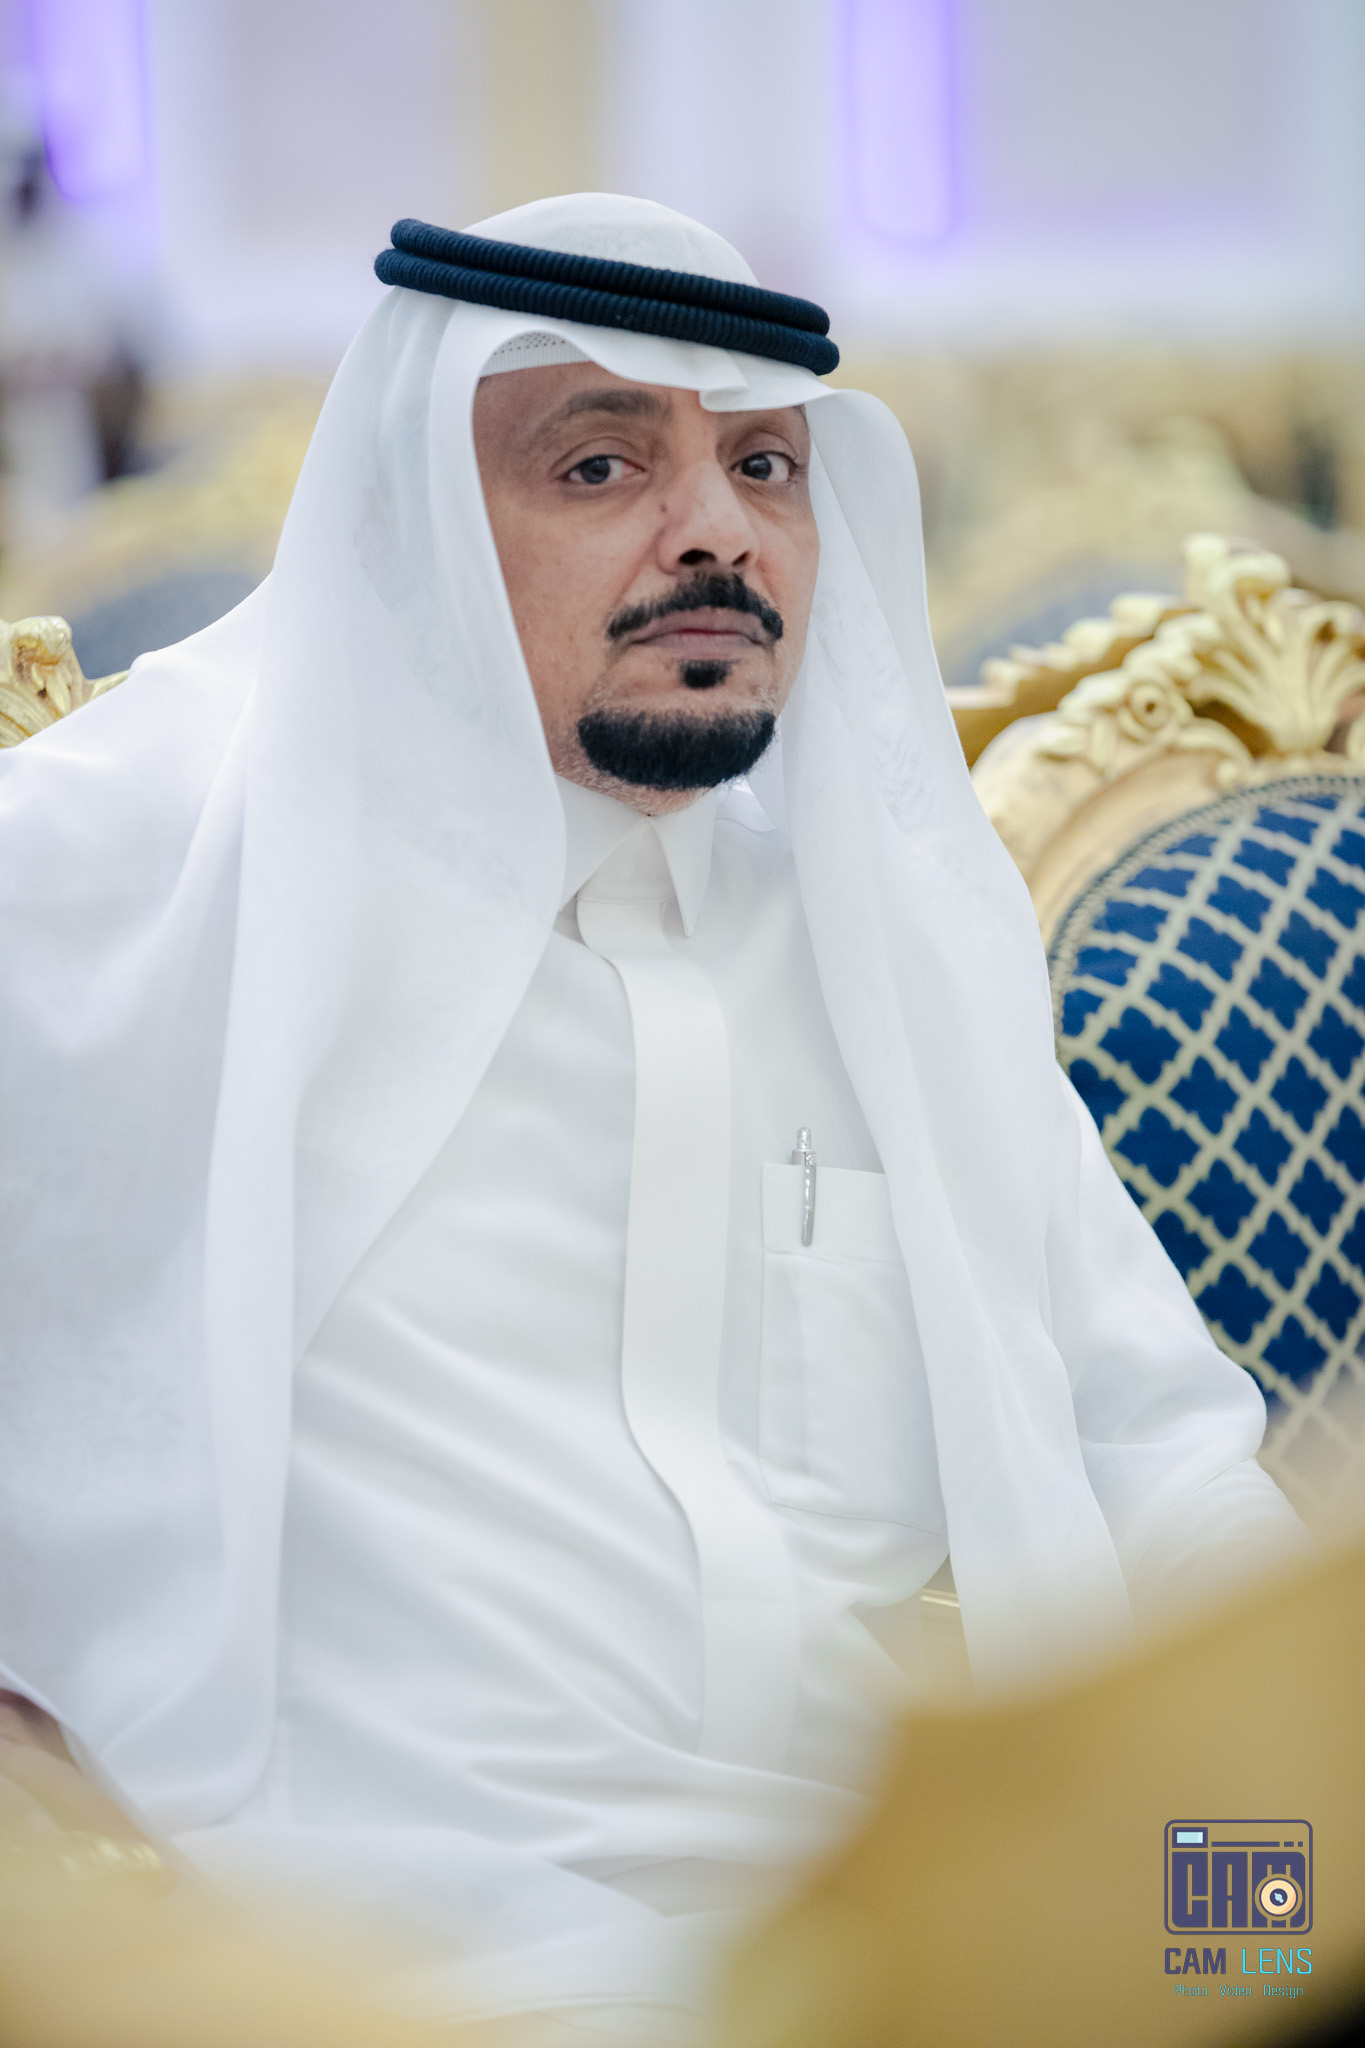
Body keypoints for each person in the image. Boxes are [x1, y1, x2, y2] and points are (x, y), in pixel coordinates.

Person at [0, 194, 1303, 2043]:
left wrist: (1257, 1924)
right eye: (601, 465)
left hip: (897, 1943)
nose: (717, 532)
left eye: (764, 468)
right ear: (412, 522)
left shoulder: (889, 942)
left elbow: (1160, 1459)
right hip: (357, 1973)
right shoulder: (112, 880)